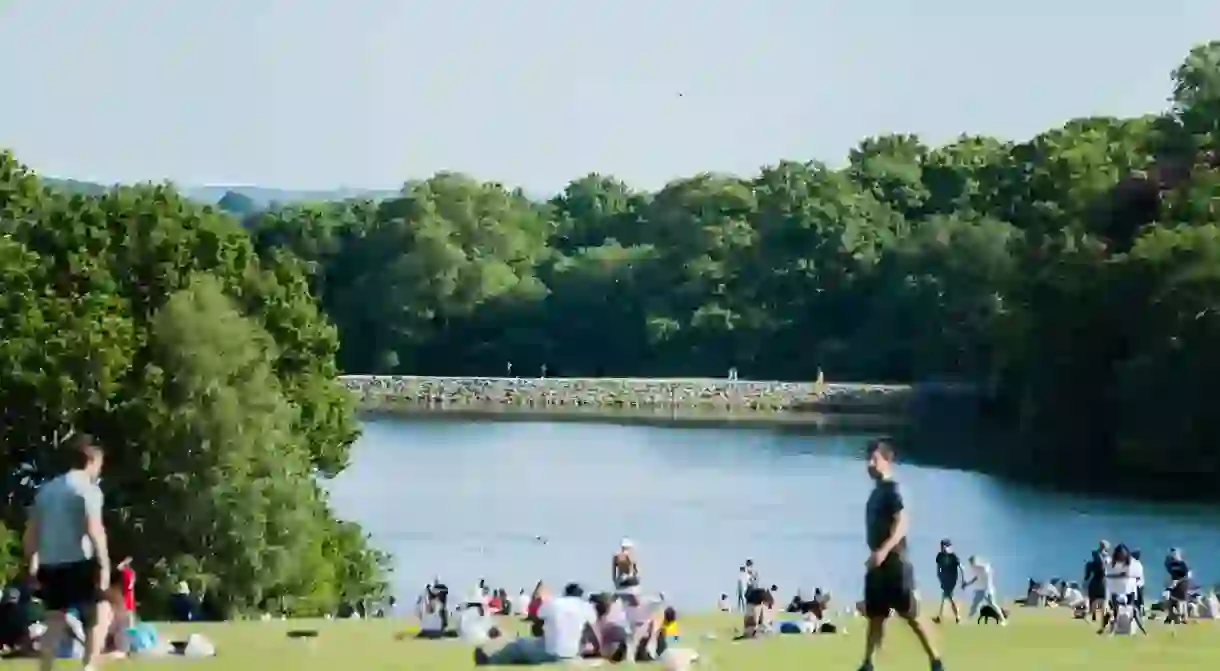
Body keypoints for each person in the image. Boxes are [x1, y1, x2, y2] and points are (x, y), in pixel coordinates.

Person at [23, 433, 112, 671]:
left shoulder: (45, 491)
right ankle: (89, 667)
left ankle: (46, 669)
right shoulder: (88, 489)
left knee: (54, 619)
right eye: (99, 465)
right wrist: (104, 565)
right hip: (80, 562)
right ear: (91, 460)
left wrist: (32, 565)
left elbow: (30, 534)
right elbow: (94, 529)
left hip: (50, 564)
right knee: (101, 614)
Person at [858, 438, 943, 671]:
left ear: (887, 461)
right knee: (875, 615)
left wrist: (884, 551)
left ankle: (936, 661)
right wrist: (874, 555)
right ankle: (868, 664)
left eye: (874, 459)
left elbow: (902, 523)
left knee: (911, 614)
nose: (869, 464)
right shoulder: (876, 492)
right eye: (868, 459)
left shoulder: (894, 489)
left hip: (895, 561)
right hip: (877, 562)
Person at [474, 582, 596, 666]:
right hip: (575, 653)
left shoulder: (554, 603)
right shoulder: (587, 607)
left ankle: (488, 661)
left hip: (550, 653)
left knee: (517, 645)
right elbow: (593, 633)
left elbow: (536, 628)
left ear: (565, 593)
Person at [963, 555, 1006, 626]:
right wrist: (967, 584)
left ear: (975, 561)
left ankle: (1003, 620)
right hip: (981, 590)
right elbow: (976, 578)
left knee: (992, 604)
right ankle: (968, 620)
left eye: (972, 561)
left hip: (987, 589)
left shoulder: (983, 568)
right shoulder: (975, 568)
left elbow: (988, 575)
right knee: (975, 605)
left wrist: (987, 589)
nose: (971, 563)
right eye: (970, 562)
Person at [933, 539, 964, 624]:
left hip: (952, 580)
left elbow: (961, 568)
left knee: (946, 598)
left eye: (944, 546)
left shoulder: (953, 556)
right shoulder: (940, 556)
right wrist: (940, 578)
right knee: (948, 598)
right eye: (941, 546)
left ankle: (940, 617)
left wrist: (963, 580)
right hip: (944, 580)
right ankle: (957, 617)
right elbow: (938, 568)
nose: (943, 548)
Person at [1164, 547, 1191, 624]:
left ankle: (1184, 617)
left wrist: (1178, 581)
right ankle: (1171, 616)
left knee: (1182, 601)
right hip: (1174, 583)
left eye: (1175, 554)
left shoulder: (1182, 564)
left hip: (1182, 583)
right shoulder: (1172, 564)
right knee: (1171, 600)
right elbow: (1168, 568)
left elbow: (1187, 575)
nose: (1173, 555)